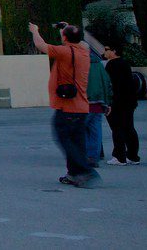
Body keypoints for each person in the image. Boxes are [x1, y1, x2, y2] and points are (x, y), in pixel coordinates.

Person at [28, 21, 98, 187]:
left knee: (64, 138)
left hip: (68, 106)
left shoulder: (64, 52)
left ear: (65, 38)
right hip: (81, 106)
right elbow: (77, 39)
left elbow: (41, 45)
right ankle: (73, 174)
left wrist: (35, 31)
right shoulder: (84, 50)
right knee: (77, 141)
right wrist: (66, 28)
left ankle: (84, 171)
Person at [103, 44, 140, 165]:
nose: (105, 52)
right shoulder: (125, 64)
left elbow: (110, 85)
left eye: (107, 49)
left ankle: (119, 156)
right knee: (129, 128)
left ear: (114, 51)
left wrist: (109, 102)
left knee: (117, 128)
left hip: (116, 102)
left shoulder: (111, 65)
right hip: (129, 101)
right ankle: (133, 156)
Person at [85, 46, 112, 168]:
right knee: (96, 131)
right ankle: (94, 157)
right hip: (99, 104)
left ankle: (85, 156)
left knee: (82, 130)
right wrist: (107, 102)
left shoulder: (81, 64)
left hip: (84, 104)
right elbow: (107, 83)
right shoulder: (99, 65)